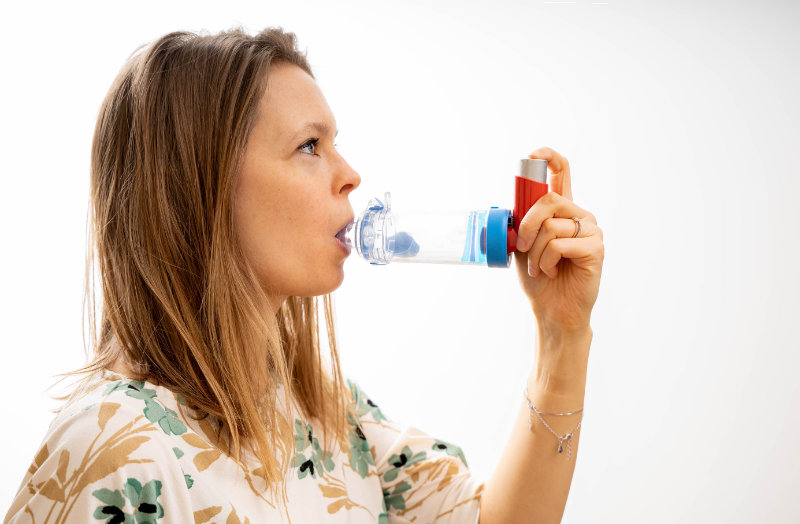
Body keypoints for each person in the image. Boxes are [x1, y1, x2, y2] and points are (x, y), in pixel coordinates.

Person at [5, 27, 603, 524]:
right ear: (200, 189)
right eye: (310, 146)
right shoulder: (117, 452)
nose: (351, 175)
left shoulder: (327, 419)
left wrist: (563, 335)